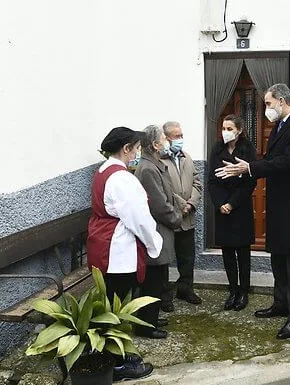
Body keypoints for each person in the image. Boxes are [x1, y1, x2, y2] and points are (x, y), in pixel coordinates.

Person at [215, 83, 290, 339]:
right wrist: (250, 167)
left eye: (269, 104)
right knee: (278, 259)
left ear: (282, 100)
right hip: (279, 204)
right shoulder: (280, 126)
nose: (267, 109)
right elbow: (271, 161)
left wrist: (249, 169)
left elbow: (289, 162)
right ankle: (280, 304)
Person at [87, 126, 162, 381]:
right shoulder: (122, 178)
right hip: (116, 250)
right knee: (116, 308)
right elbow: (138, 218)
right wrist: (154, 243)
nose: (138, 153)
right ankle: (116, 365)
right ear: (126, 148)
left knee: (111, 304)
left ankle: (116, 355)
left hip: (104, 243)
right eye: (137, 148)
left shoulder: (103, 170)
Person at [134, 124, 183, 339]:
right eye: (164, 139)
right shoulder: (147, 169)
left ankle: (152, 318)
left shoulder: (154, 165)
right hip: (157, 231)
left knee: (158, 278)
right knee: (152, 282)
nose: (167, 142)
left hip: (161, 231)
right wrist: (176, 218)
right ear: (155, 145)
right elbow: (159, 205)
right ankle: (146, 325)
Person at [208, 115, 257, 311]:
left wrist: (232, 203)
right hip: (222, 209)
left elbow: (250, 182)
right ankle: (232, 290)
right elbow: (212, 179)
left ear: (239, 130)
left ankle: (244, 291)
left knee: (243, 253)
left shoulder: (247, 149)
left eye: (229, 128)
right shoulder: (216, 149)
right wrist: (221, 203)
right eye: (223, 127)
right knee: (227, 252)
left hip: (240, 207)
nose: (225, 131)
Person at [160, 121, 203, 309]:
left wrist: (191, 203)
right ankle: (164, 297)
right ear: (166, 138)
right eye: (176, 136)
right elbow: (162, 189)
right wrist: (181, 204)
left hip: (188, 218)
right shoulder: (159, 161)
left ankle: (186, 289)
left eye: (181, 135)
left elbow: (197, 182)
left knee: (187, 258)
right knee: (165, 260)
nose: (180, 139)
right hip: (169, 219)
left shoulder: (187, 157)